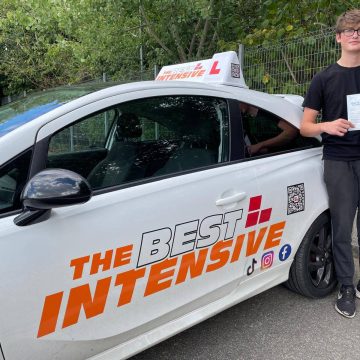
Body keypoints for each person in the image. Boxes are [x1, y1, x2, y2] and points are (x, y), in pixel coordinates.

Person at [301, 9, 360, 318]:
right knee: (341, 226)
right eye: (349, 30)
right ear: (338, 37)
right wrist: (326, 126)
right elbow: (305, 126)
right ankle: (347, 286)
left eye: (359, 30)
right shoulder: (323, 78)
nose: (355, 34)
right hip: (338, 160)